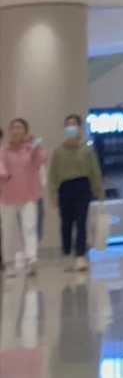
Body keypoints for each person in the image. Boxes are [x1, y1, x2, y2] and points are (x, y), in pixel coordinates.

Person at [47, 115, 103, 274]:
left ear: (80, 128)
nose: (70, 127)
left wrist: (98, 189)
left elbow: (94, 171)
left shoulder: (87, 150)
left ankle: (80, 256)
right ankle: (66, 253)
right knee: (66, 223)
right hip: (65, 188)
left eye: (73, 124)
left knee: (81, 221)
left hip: (82, 186)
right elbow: (53, 175)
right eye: (67, 125)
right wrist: (53, 194)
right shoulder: (58, 152)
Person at [0, 119, 46, 278]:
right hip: (7, 198)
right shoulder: (4, 150)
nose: (16, 130)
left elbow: (40, 161)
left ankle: (32, 260)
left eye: (19, 127)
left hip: (28, 196)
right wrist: (4, 175)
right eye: (13, 127)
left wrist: (36, 146)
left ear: (26, 131)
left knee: (30, 228)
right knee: (8, 231)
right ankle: (8, 263)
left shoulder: (30, 149)